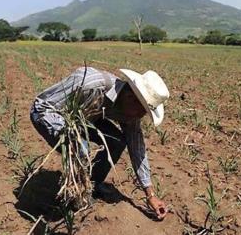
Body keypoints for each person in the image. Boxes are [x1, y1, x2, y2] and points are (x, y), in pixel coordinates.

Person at [29, 66, 170, 220]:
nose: (140, 117)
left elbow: (137, 147)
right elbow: (42, 106)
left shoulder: (130, 109)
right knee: (81, 147)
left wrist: (150, 195)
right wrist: (67, 134)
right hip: (50, 113)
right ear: (130, 97)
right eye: (142, 112)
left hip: (87, 119)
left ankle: (92, 185)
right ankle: (72, 198)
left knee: (117, 142)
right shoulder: (91, 85)